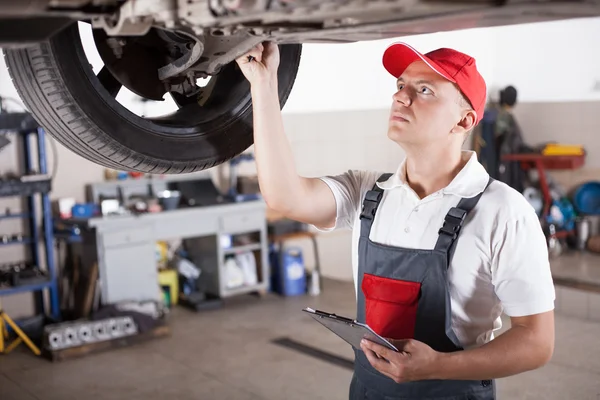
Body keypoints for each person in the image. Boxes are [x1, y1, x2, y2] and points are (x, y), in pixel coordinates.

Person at [236, 41, 555, 400]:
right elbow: (284, 195)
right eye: (400, 86)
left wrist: (436, 366)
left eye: (424, 90)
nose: (401, 97)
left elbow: (537, 341)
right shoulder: (367, 191)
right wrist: (262, 84)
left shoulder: (503, 211)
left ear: (464, 120)